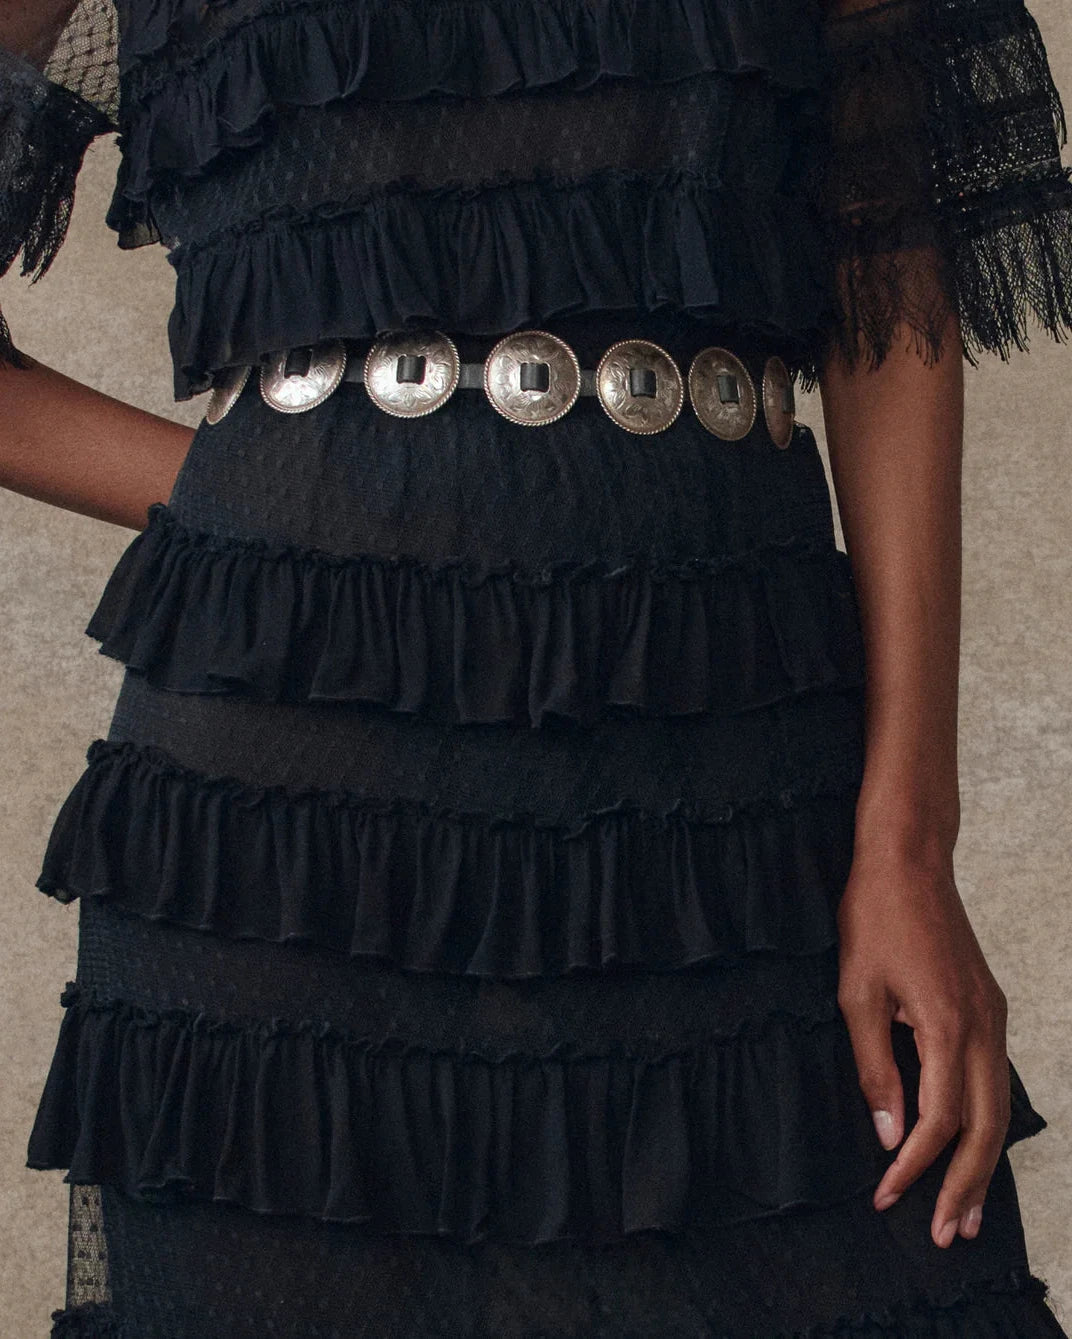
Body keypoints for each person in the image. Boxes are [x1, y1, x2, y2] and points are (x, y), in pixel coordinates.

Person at [1, 0, 1069, 1334]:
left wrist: (911, 841)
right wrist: (279, 495)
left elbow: (889, 285)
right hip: (283, 828)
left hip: (731, 777)